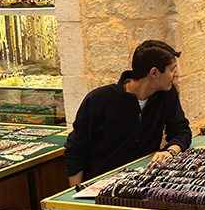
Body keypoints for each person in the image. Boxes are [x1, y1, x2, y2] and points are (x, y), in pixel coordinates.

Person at [65, 40, 192, 185]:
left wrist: (170, 152)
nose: (176, 75)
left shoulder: (167, 94)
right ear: (154, 73)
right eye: (172, 69)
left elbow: (181, 130)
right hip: (101, 185)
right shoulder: (99, 100)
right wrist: (76, 192)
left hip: (143, 182)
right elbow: (75, 149)